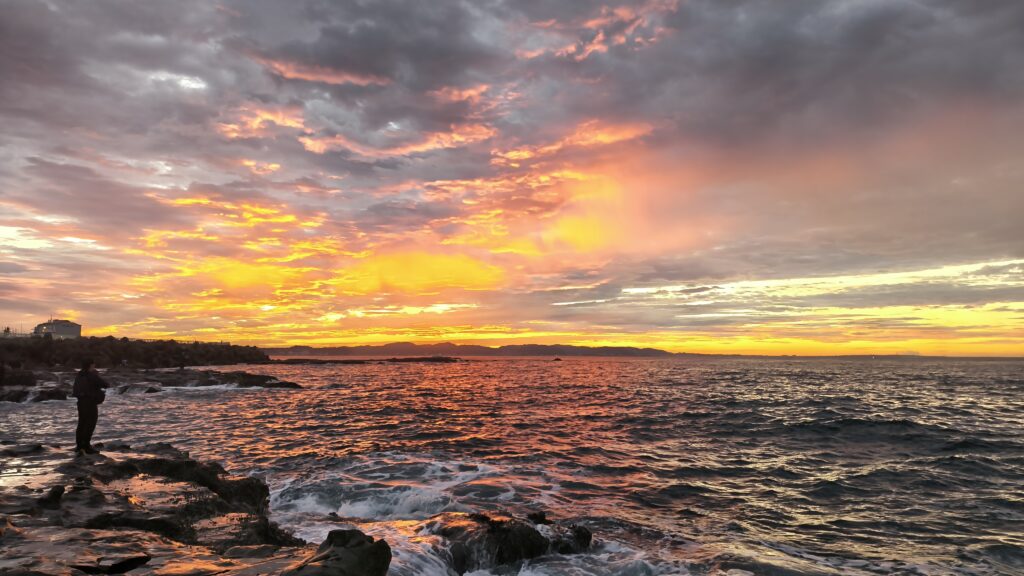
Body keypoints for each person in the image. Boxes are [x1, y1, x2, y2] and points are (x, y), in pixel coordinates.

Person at [72, 359, 110, 455]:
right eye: (93, 365)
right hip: (90, 403)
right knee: (90, 424)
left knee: (81, 424)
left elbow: (75, 390)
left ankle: (79, 446)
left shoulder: (79, 375)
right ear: (90, 365)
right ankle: (87, 446)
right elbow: (105, 384)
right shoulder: (92, 375)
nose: (94, 366)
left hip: (80, 402)